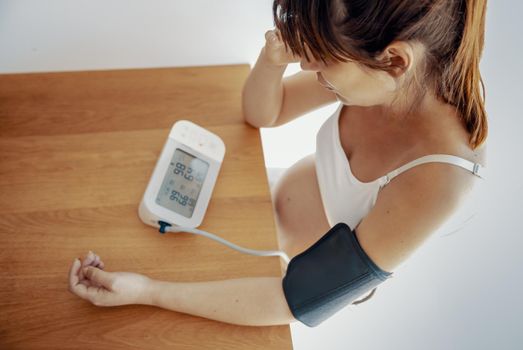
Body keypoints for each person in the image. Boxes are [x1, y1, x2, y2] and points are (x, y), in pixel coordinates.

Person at [68, 0, 488, 327]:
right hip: (256, 204)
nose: (307, 65)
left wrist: (148, 291)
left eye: (322, 58)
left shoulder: (440, 178)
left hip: (269, 275)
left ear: (394, 60)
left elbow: (292, 300)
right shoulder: (380, 74)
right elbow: (263, 113)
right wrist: (272, 59)